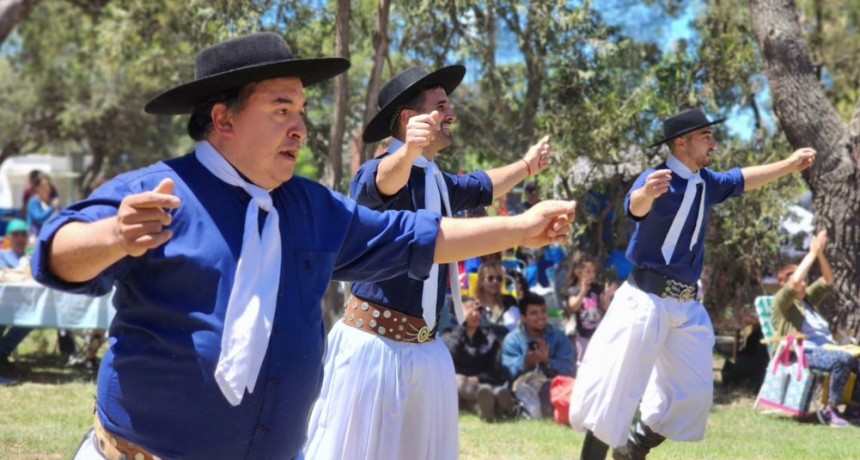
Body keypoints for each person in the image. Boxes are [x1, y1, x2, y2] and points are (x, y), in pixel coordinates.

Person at [30, 33, 575, 460]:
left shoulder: (310, 208)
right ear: (223, 118)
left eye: (303, 111)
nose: (301, 128)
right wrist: (113, 236)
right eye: (281, 110)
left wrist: (521, 229)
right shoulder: (158, 192)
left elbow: (416, 237)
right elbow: (56, 252)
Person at [304, 64, 557, 460]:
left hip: (426, 350)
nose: (452, 115)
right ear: (410, 119)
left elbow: (484, 186)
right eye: (441, 107)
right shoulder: (376, 173)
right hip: (375, 351)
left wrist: (527, 166)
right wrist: (407, 152)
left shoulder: (437, 179)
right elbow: (385, 180)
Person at [568, 107, 817, 460]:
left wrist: (790, 164)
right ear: (682, 143)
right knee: (614, 393)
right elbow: (634, 207)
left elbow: (744, 177)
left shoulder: (707, 183)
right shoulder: (658, 178)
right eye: (706, 137)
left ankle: (633, 448)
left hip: (686, 305)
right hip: (645, 301)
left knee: (694, 393)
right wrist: (647, 195)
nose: (714, 143)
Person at [772, 230, 860, 426]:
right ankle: (831, 410)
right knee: (843, 359)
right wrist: (812, 252)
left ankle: (855, 407)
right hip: (803, 352)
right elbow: (794, 282)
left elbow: (828, 281)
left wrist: (820, 254)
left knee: (855, 358)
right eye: (799, 279)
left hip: (827, 348)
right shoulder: (782, 304)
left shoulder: (808, 301)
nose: (803, 282)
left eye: (804, 279)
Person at [501, 293, 575, 418]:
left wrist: (548, 362)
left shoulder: (559, 337)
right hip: (521, 384)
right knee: (532, 379)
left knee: (558, 386)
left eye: (543, 311)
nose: (540, 317)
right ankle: (530, 407)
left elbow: (570, 369)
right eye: (534, 313)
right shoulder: (513, 339)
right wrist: (527, 361)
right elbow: (507, 371)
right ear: (523, 317)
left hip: (554, 384)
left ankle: (533, 409)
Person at [443, 296, 514, 422]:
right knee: (458, 380)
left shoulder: (488, 338)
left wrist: (479, 378)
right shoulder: (449, 335)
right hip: (458, 387)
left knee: (481, 392)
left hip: (482, 383)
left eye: (478, 310)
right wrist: (462, 325)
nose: (475, 314)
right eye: (469, 309)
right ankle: (495, 398)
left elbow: (495, 370)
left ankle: (485, 405)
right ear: (457, 313)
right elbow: (451, 357)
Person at [566, 254, 617, 364]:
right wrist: (583, 291)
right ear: (578, 272)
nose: (592, 275)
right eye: (588, 272)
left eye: (593, 271)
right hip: (584, 336)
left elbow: (605, 307)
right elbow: (573, 306)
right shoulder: (574, 290)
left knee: (601, 361)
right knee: (584, 362)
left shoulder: (597, 288)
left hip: (599, 333)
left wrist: (607, 296)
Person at [0, 219, 33, 373]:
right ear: (8, 238)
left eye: (23, 235)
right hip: (2, 303)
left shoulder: (31, 258)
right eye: (16, 235)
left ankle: (2, 352)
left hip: (25, 305)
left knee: (31, 320)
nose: (20, 238)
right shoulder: (2, 256)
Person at [476, 262, 519, 331]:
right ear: (481, 281)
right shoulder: (474, 306)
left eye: (499, 278)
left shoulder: (509, 301)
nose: (495, 281)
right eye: (490, 278)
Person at [26, 173, 61, 237]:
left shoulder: (53, 202)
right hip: (35, 236)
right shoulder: (33, 202)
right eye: (43, 186)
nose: (46, 188)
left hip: (50, 235)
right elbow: (39, 219)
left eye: (48, 185)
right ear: (37, 188)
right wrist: (52, 207)